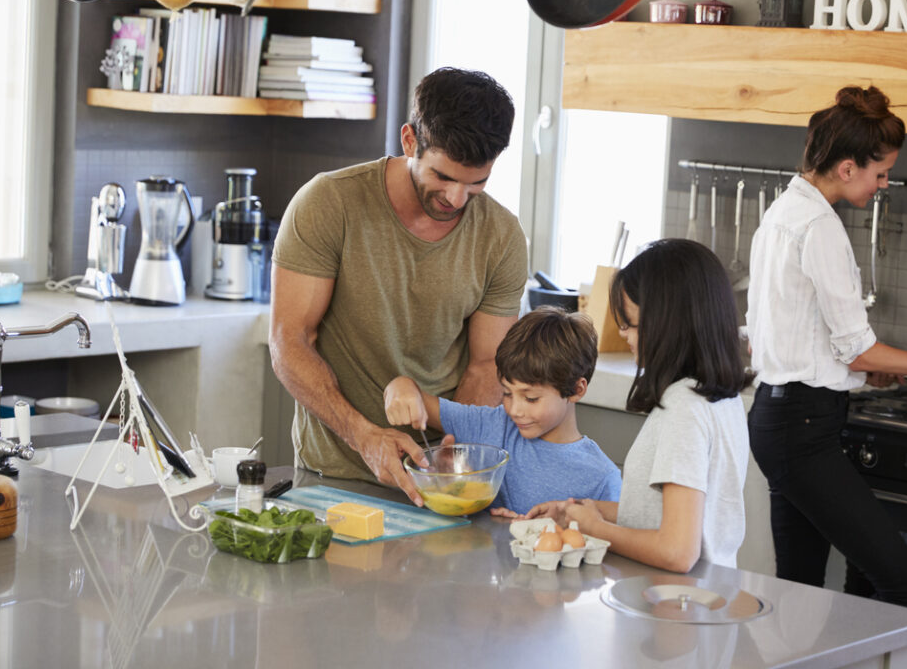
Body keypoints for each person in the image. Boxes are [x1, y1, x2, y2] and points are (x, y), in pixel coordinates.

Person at [745, 85, 907, 610]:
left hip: (778, 418)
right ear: (846, 168)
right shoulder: (819, 226)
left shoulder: (784, 211)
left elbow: (801, 338)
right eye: (879, 173)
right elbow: (857, 348)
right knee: (905, 588)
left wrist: (863, 375)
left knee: (797, 592)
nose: (883, 184)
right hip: (803, 430)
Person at [269, 67, 528, 504]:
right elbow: (289, 341)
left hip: (439, 483)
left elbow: (486, 366)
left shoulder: (501, 237)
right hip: (335, 477)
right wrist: (364, 437)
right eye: (442, 177)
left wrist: (452, 455)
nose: (457, 199)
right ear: (410, 141)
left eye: (476, 183)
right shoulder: (328, 204)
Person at [524, 239, 753, 572]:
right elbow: (667, 514)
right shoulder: (720, 398)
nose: (624, 334)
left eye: (629, 323)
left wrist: (596, 529)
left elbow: (677, 551)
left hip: (673, 606)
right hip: (708, 598)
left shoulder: (684, 409)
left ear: (667, 324)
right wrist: (587, 511)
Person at [383, 306, 622, 515]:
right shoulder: (492, 424)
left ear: (576, 390)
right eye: (507, 393)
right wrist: (400, 386)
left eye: (530, 398)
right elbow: (420, 402)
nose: (514, 410)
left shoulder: (601, 479)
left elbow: (606, 557)